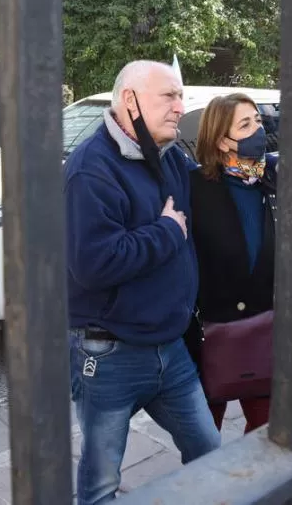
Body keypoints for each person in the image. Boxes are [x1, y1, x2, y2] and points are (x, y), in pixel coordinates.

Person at [64, 60, 221, 505]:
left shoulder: (169, 155)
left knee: (210, 453)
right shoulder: (91, 170)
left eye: (180, 95)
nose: (180, 106)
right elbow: (93, 264)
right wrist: (167, 231)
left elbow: (210, 192)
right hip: (109, 352)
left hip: (170, 349)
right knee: (99, 485)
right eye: (168, 96)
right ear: (129, 100)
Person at [188, 93, 277, 434]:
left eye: (257, 120)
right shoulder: (195, 187)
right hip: (211, 334)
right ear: (222, 141)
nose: (258, 129)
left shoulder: (272, 180)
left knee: (267, 433)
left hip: (264, 331)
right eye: (245, 124)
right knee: (204, 443)